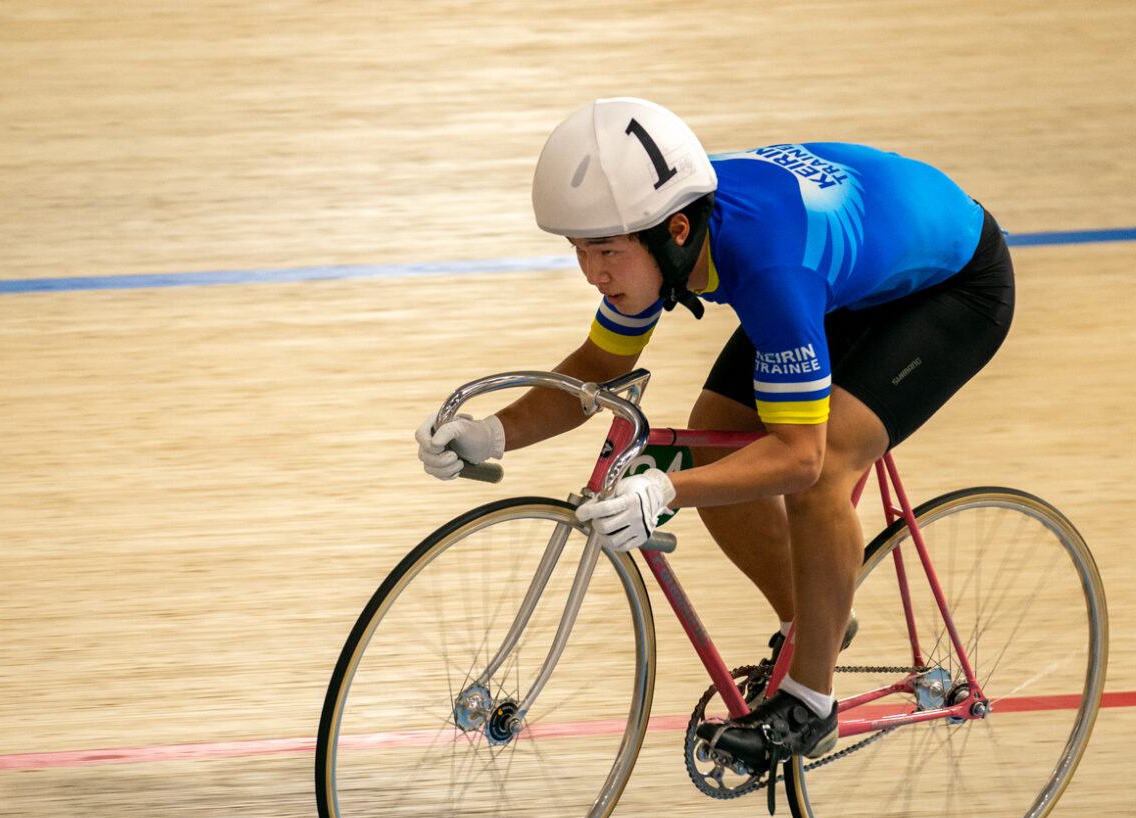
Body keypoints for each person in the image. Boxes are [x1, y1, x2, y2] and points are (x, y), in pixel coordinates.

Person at [415, 98, 1014, 772]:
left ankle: (810, 706)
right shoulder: (655, 224)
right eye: (579, 251)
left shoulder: (766, 269)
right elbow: (602, 368)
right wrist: (492, 434)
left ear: (674, 231)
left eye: (605, 253)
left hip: (950, 288)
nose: (592, 274)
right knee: (713, 435)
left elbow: (798, 458)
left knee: (826, 470)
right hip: (842, 272)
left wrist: (664, 492)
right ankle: (815, 620)